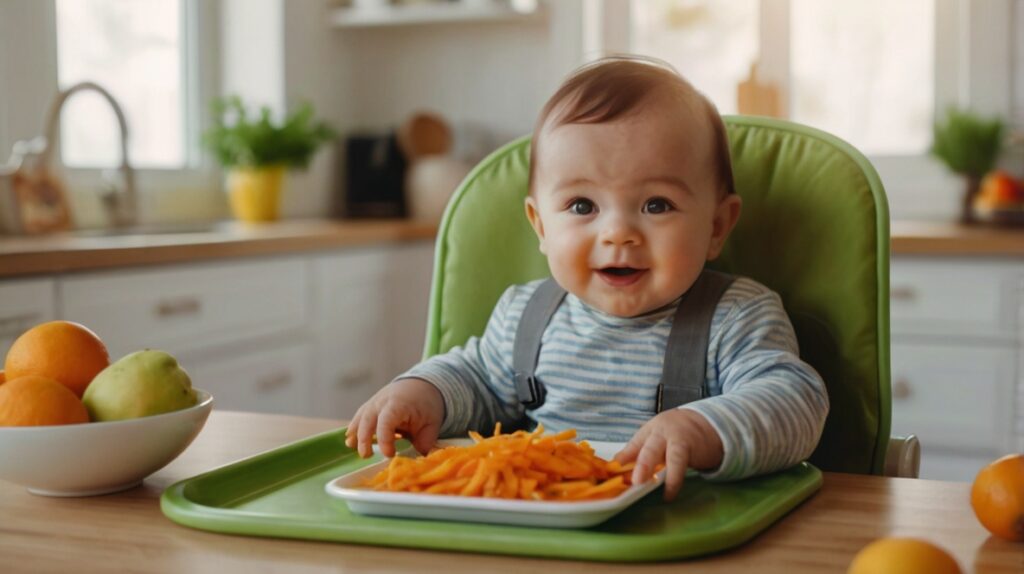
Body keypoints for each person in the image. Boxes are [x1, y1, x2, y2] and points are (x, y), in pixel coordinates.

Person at [345, 56, 829, 501]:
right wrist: (421, 393)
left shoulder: (736, 316)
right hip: (538, 522)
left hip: (680, 523)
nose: (618, 232)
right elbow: (476, 380)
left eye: (656, 204)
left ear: (717, 226)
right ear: (540, 226)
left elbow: (794, 400)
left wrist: (703, 429)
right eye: (582, 206)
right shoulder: (524, 317)